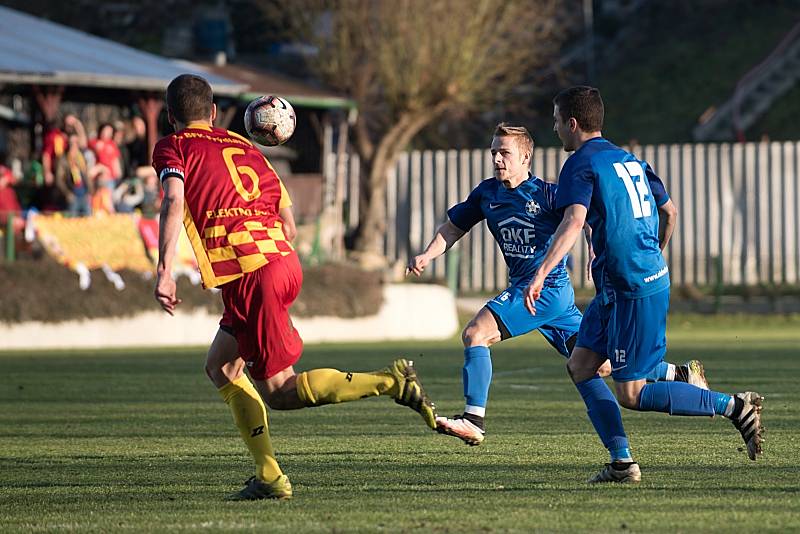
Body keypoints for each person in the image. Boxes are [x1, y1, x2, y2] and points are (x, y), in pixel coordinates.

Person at [152, 74, 436, 501]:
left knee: (282, 391)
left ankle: (389, 381)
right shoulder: (244, 145)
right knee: (221, 367)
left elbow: (174, 201)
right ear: (213, 114)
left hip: (252, 275)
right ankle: (268, 476)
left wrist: (164, 269)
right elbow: (287, 220)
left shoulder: (173, 147)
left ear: (171, 116)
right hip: (281, 262)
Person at [407, 123, 707, 447]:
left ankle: (473, 418)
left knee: (475, 334)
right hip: (550, 298)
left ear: (525, 157)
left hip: (543, 289)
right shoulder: (486, 194)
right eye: (494, 152)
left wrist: (595, 249)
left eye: (504, 152)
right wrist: (427, 254)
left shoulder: (547, 194)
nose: (497, 159)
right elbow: (452, 228)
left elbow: (582, 219)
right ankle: (677, 374)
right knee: (599, 365)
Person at [525, 86, 764, 484]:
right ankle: (622, 463)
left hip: (633, 288)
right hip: (620, 286)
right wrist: (652, 251)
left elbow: (573, 221)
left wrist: (542, 271)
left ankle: (735, 407)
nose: (554, 131)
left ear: (572, 123)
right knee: (582, 366)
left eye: (555, 122)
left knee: (631, 392)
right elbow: (669, 212)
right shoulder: (630, 160)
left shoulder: (580, 164)